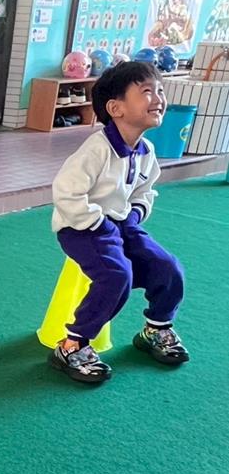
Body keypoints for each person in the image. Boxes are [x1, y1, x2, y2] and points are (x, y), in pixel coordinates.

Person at [50, 60, 189, 383]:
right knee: (116, 276)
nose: (158, 98)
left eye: (160, 90)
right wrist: (98, 223)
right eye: (146, 91)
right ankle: (72, 346)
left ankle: (156, 328)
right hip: (81, 227)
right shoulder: (96, 150)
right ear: (116, 108)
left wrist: (135, 215)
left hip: (122, 223)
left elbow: (145, 190)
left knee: (168, 267)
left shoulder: (146, 151)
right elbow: (66, 193)